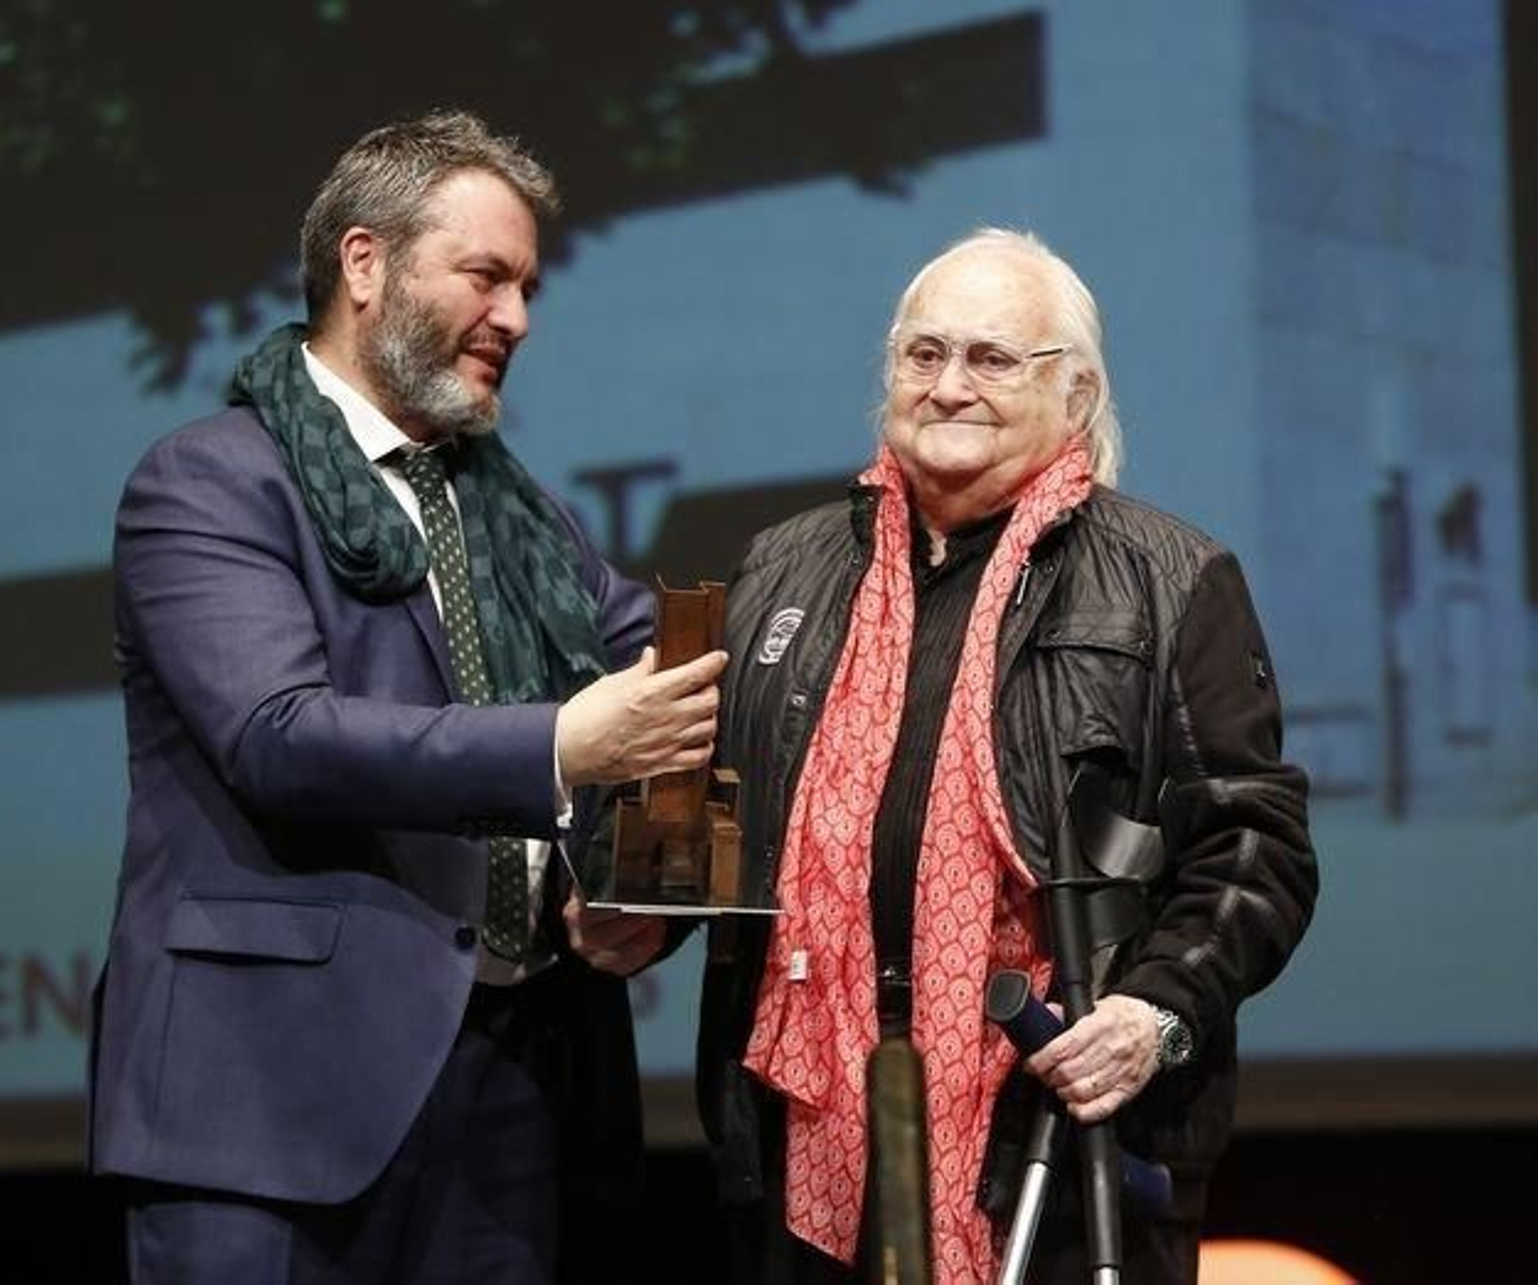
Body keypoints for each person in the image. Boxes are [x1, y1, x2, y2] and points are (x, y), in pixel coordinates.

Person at [88, 109, 722, 1284]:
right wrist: (562, 748)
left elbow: (678, 691)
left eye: (529, 286)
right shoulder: (211, 480)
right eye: (485, 275)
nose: (516, 319)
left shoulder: (523, 515)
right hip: (269, 1107)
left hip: (511, 1091)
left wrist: (643, 890)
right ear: (364, 263)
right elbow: (276, 737)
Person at [697, 227, 1318, 1284]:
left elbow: (1255, 848)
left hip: (1056, 1131)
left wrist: (1154, 1013)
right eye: (922, 354)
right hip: (813, 1117)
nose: (948, 387)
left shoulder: (1169, 579)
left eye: (991, 359)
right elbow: (718, 814)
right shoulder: (783, 569)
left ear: (1075, 396)